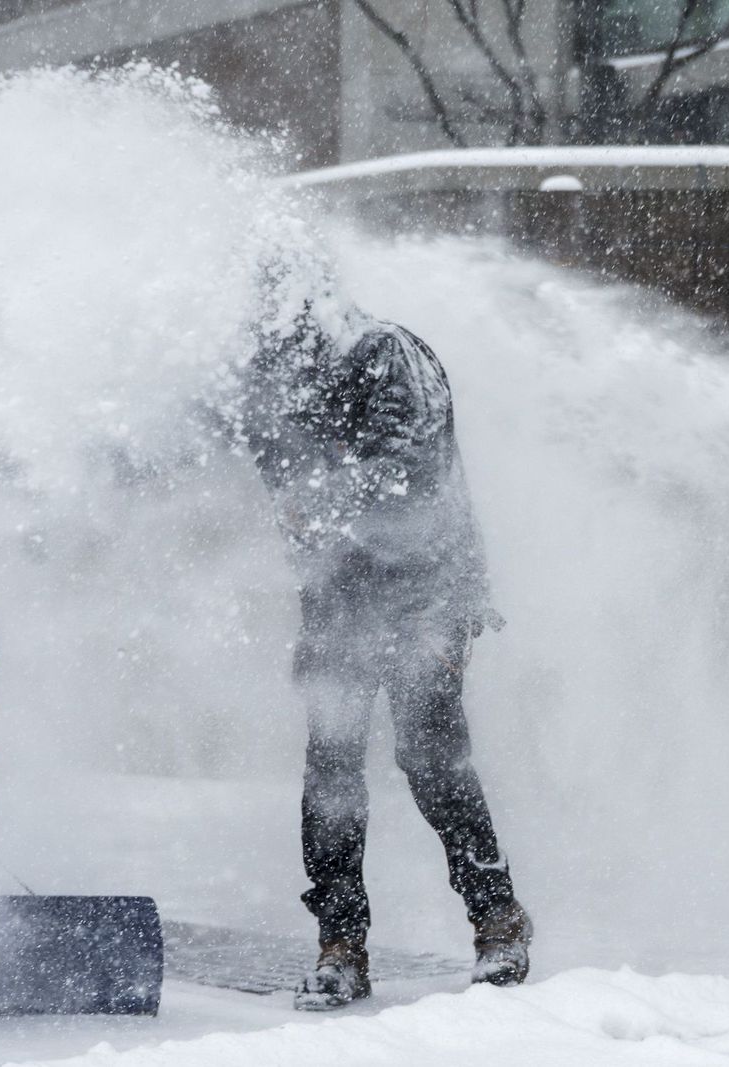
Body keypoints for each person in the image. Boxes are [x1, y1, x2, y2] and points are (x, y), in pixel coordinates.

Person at [240, 298, 532, 1010]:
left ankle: (498, 918)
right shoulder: (272, 370)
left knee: (431, 759)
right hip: (336, 594)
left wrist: (317, 494)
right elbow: (250, 448)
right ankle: (341, 944)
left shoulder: (387, 354)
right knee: (332, 767)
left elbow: (407, 471)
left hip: (427, 589)